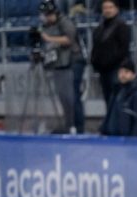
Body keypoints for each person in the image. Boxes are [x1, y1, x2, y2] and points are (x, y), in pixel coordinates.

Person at [37, 0, 84, 134]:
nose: (47, 17)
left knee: (73, 95)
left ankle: (78, 127)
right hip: (59, 64)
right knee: (63, 97)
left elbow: (69, 39)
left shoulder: (65, 22)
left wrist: (49, 38)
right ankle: (68, 124)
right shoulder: (46, 25)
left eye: (49, 14)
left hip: (73, 61)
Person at [90, 0, 131, 109]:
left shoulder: (121, 26)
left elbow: (124, 49)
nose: (107, 10)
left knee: (117, 99)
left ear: (116, 9)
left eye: (110, 7)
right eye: (105, 8)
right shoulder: (100, 28)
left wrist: (113, 62)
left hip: (116, 68)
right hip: (103, 70)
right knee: (108, 99)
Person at [99, 57, 137, 137]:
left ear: (133, 74)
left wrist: (134, 140)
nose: (123, 75)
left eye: (126, 72)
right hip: (114, 139)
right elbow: (110, 114)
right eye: (120, 72)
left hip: (129, 141)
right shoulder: (116, 90)